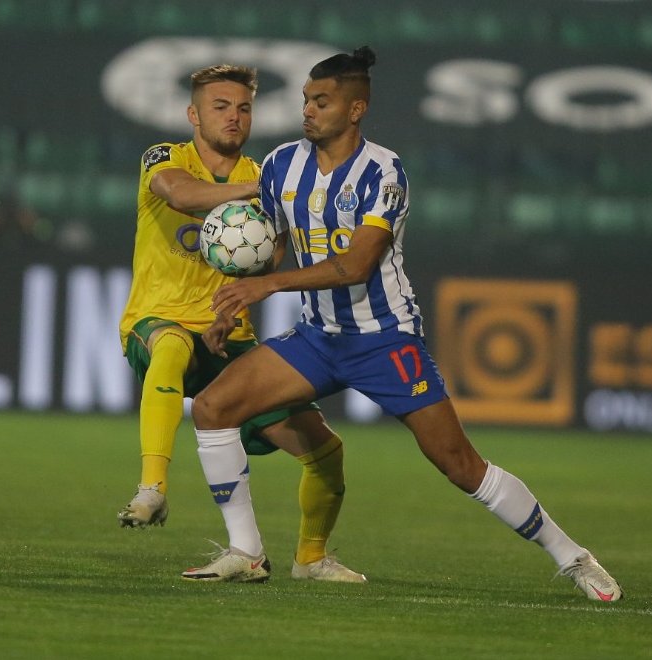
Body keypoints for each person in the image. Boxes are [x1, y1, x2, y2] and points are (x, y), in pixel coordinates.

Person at [189, 47, 623, 601]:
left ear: (355, 110)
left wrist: (267, 286)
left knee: (459, 463)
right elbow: (272, 248)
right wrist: (237, 304)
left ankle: (574, 557)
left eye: (322, 101)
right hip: (317, 338)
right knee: (212, 408)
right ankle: (247, 552)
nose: (308, 110)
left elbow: (357, 264)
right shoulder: (279, 166)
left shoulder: (383, 171)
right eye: (305, 100)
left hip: (384, 339)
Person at [117, 64, 365, 584]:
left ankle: (311, 558)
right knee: (170, 347)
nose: (234, 117)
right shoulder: (166, 159)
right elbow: (182, 196)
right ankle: (152, 489)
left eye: (244, 108)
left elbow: (271, 262)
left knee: (325, 451)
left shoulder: (260, 174)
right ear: (194, 114)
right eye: (220, 107)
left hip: (230, 338)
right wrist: (262, 191)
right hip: (157, 319)